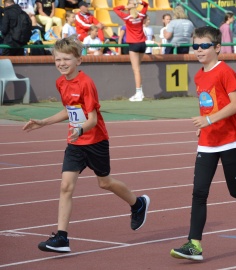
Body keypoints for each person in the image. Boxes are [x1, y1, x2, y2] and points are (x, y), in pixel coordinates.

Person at [22, 37, 150, 253]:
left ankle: (138, 204)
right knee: (65, 186)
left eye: (66, 59)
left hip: (95, 141)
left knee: (104, 183)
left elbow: (91, 118)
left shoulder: (86, 83)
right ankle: (61, 238)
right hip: (75, 142)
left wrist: (80, 129)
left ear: (78, 60)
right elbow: (68, 110)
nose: (61, 63)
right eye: (58, 59)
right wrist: (43, 122)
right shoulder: (60, 82)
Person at [169, 26, 236, 261]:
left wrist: (209, 119)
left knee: (235, 189)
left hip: (229, 140)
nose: (199, 50)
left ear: (217, 47)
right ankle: (194, 244)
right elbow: (207, 104)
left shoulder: (225, 72)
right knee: (199, 192)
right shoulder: (198, 75)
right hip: (208, 141)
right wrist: (204, 126)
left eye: (204, 46)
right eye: (195, 45)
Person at [113, 0, 148, 102]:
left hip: (134, 45)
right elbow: (146, 5)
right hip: (142, 44)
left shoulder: (127, 17)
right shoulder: (141, 15)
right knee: (138, 69)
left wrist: (126, 6)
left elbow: (115, 9)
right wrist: (139, 2)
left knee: (136, 70)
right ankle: (140, 92)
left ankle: (138, 93)